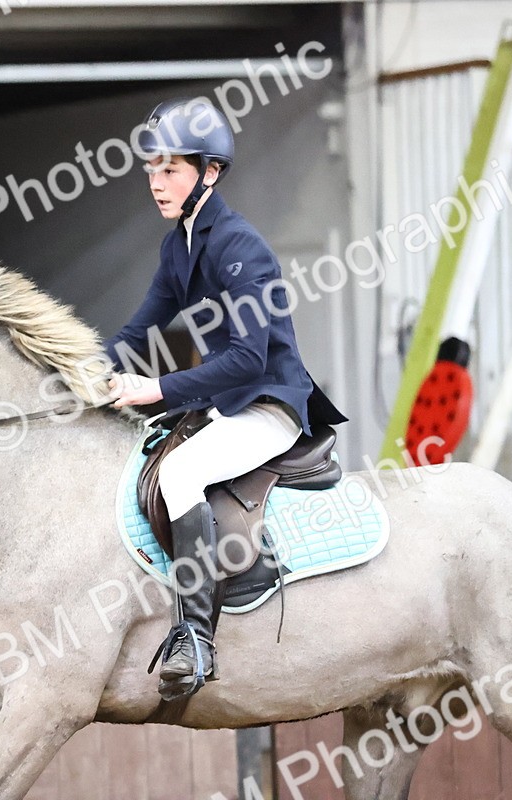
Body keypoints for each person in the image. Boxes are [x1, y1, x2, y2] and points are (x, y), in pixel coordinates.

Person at [102, 97, 348, 700]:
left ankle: (195, 636)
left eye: (171, 170)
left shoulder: (241, 245)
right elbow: (138, 332)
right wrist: (75, 375)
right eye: (152, 170)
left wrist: (153, 388)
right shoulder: (178, 247)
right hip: (225, 402)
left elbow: (246, 358)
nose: (157, 184)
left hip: (269, 404)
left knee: (181, 471)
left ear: (208, 173)